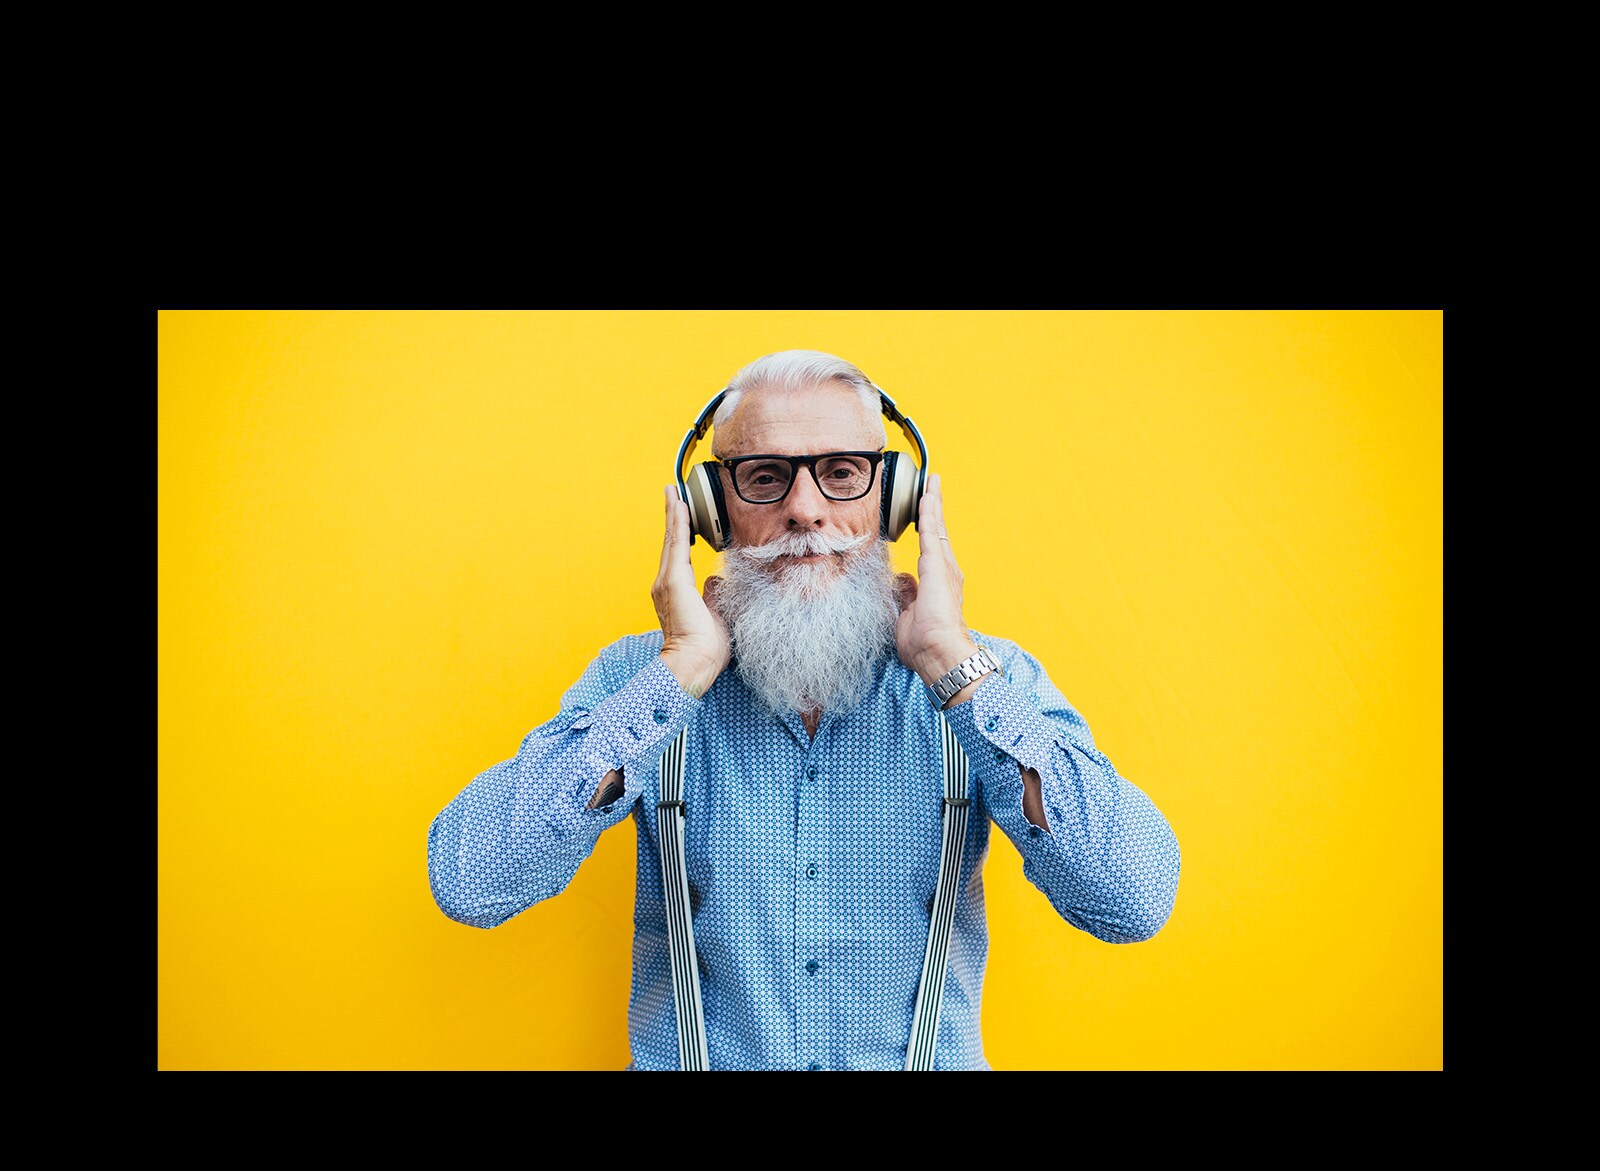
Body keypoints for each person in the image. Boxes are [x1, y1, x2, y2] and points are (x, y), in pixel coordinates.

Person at [427, 349, 1181, 1070]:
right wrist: (679, 673)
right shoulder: (642, 680)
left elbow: (1133, 897)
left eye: (843, 473)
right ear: (712, 513)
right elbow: (470, 879)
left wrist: (954, 667)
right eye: (764, 478)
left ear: (895, 501)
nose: (805, 510)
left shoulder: (988, 679)